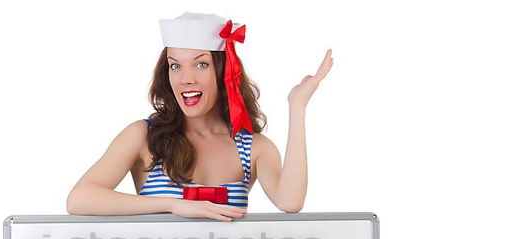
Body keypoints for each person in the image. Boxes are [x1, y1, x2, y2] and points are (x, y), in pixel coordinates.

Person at [67, 12, 332, 222]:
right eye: (175, 65)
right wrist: (174, 206)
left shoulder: (253, 148)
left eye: (201, 64)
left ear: (223, 72)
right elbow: (79, 200)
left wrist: (297, 107)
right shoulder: (143, 136)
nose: (186, 78)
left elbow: (290, 202)